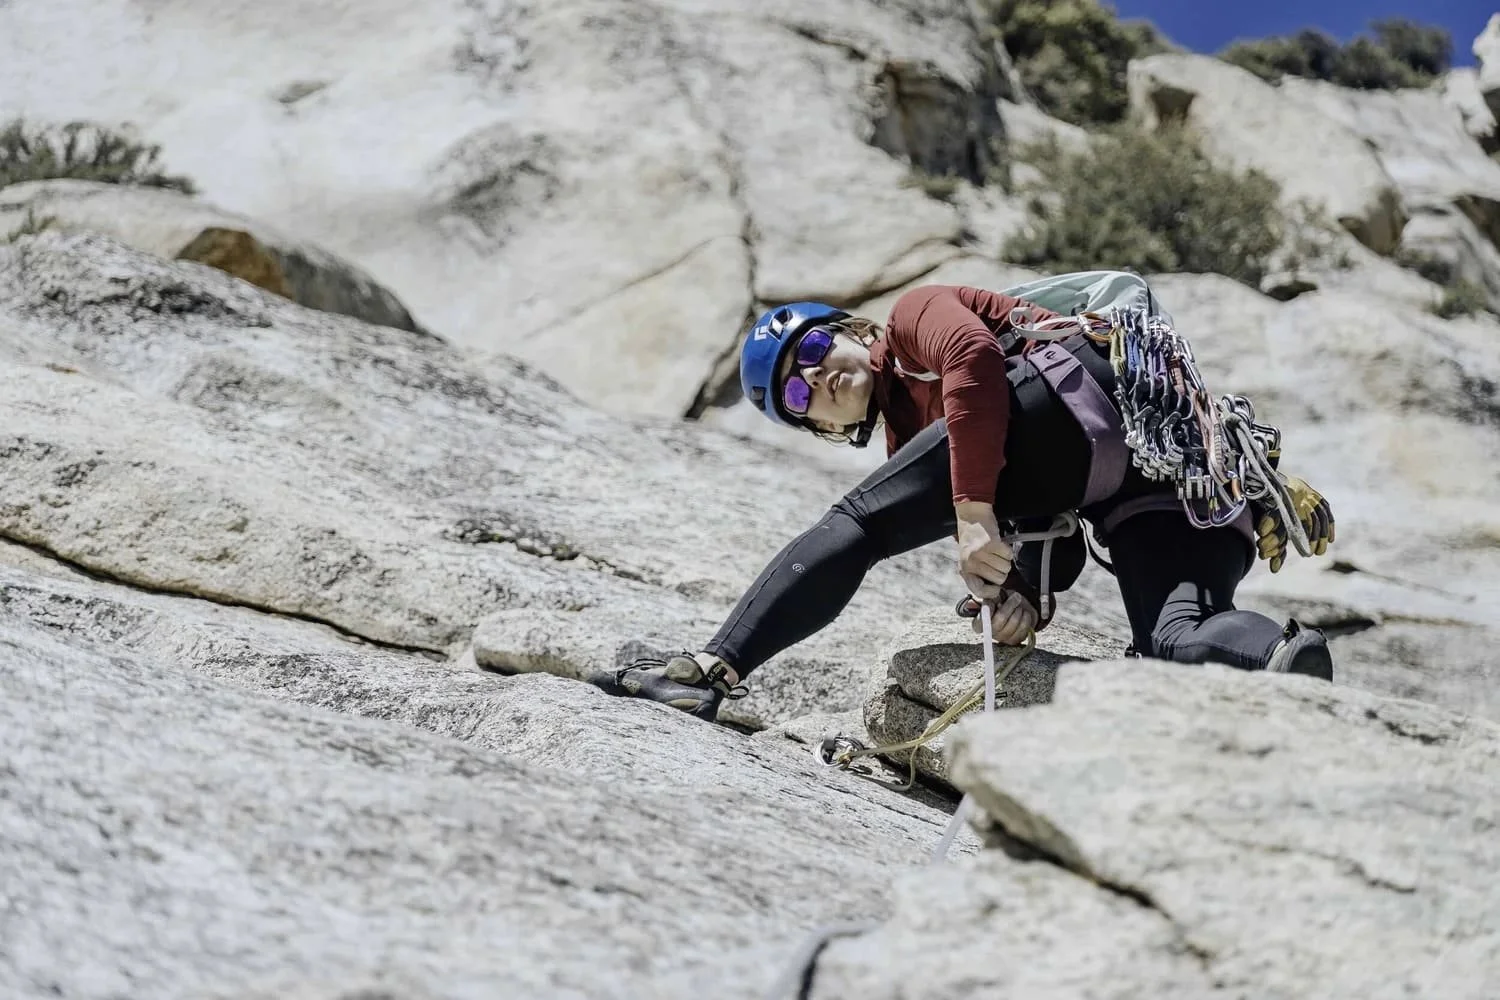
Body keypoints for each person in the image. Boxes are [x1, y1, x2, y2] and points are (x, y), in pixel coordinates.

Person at [591, 279, 1337, 721]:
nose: (815, 377)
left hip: (1070, 391)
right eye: (796, 391)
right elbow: (1056, 529)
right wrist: (1023, 597)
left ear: (853, 332)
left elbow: (976, 360)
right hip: (1159, 481)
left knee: (858, 523)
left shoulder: (914, 319)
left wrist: (973, 510)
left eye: (816, 351)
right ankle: (1283, 659)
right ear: (816, 427)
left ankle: (709, 670)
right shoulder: (916, 450)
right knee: (1175, 640)